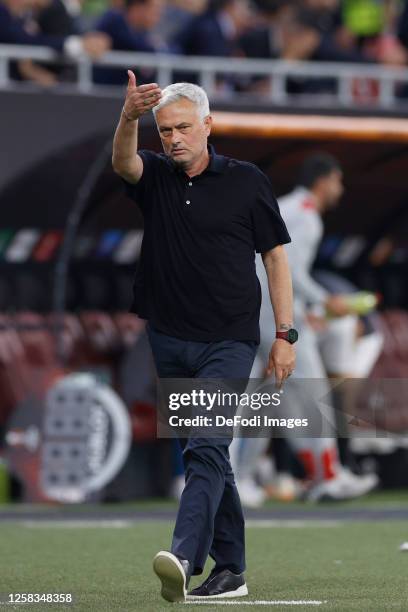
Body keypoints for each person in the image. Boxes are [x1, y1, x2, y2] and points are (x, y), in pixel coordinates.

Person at [112, 75, 296, 601]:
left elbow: (275, 257)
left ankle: (184, 557)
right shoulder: (155, 177)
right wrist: (128, 118)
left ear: (208, 125)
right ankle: (231, 569)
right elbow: (124, 163)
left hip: (230, 339)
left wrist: (284, 334)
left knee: (207, 445)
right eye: (165, 130)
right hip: (169, 336)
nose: (173, 138)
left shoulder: (247, 180)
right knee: (210, 452)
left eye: (184, 128)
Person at [232, 153, 381, 505]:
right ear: (324, 180)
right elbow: (290, 271)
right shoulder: (307, 216)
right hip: (277, 314)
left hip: (252, 309)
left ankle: (244, 479)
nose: (340, 189)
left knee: (267, 399)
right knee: (314, 391)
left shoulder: (285, 206)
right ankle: (329, 476)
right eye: (338, 181)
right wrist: (328, 301)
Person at [94, 0, 167, 85]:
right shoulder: (114, 19)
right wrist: (156, 47)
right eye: (155, 9)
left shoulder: (142, 32)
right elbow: (138, 46)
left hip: (119, 90)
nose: (159, 15)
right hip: (98, 88)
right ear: (138, 7)